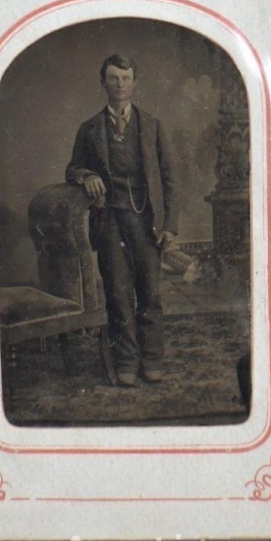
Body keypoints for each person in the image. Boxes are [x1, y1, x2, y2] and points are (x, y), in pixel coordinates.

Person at [65, 54, 179, 387]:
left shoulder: (153, 126)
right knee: (117, 293)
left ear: (134, 83)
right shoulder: (89, 129)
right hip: (109, 220)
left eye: (126, 78)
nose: (120, 85)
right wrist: (86, 175)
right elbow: (71, 169)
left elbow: (170, 178)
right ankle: (127, 361)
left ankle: (152, 359)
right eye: (113, 78)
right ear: (104, 83)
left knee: (150, 291)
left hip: (146, 220)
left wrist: (170, 225)